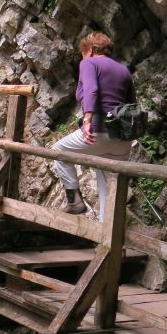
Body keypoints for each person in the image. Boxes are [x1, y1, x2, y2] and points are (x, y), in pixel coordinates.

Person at [51, 31, 135, 221]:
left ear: (89, 49)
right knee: (106, 181)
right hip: (122, 138)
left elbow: (92, 89)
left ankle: (74, 202)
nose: (82, 57)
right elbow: (131, 105)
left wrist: (87, 119)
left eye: (82, 52)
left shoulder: (89, 63)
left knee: (58, 152)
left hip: (99, 131)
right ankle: (107, 233)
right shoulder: (123, 70)